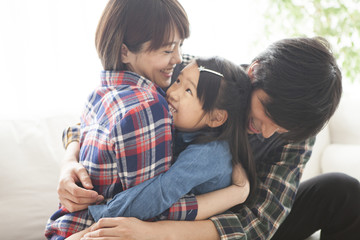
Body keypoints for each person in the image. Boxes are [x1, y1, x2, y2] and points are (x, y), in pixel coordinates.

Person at [61, 37, 360, 240]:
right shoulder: (196, 78)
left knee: (342, 191)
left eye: (280, 129)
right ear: (253, 72)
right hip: (176, 206)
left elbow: (260, 223)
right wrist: (70, 160)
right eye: (265, 114)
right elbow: (105, 112)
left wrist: (154, 233)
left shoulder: (295, 129)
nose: (267, 132)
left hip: (226, 225)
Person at [45, 0, 255, 239]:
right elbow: (153, 208)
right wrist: (68, 162)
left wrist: (101, 212)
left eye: (180, 46)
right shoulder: (150, 107)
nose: (177, 59)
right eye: (168, 50)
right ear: (125, 51)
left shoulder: (102, 91)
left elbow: (156, 200)